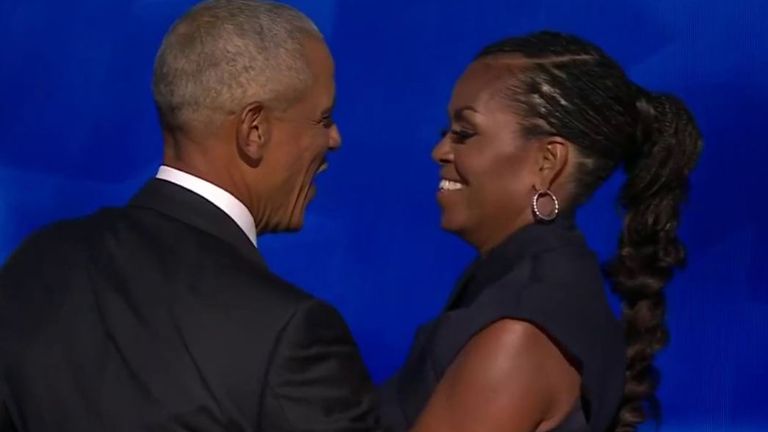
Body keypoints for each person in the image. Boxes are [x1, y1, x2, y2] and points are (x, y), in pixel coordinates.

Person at [0, 1, 381, 430]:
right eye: (323, 119)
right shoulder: (289, 336)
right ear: (254, 132)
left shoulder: (38, 262)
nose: (335, 139)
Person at [379, 31, 702, 432]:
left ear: (547, 161)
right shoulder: (519, 286)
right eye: (446, 132)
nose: (441, 151)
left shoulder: (520, 332)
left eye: (464, 133)